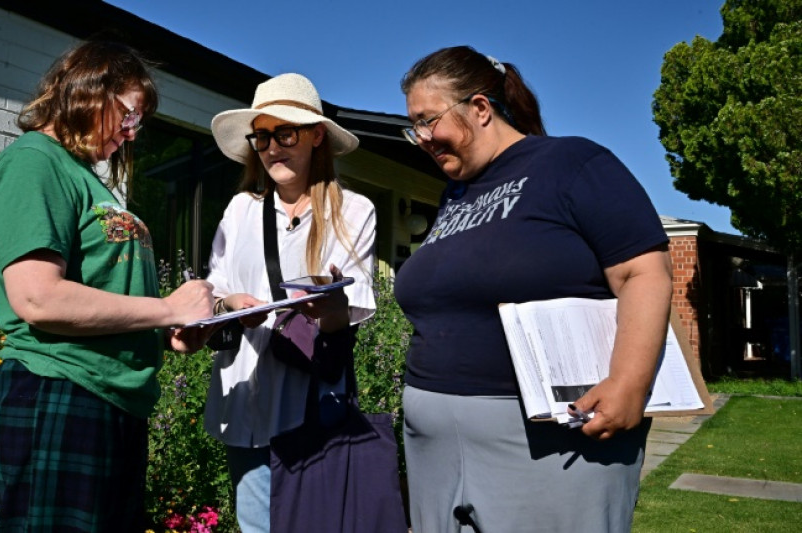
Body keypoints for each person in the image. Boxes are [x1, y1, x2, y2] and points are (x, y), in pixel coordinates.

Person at [394, 46, 673, 532]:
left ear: (479, 108)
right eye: (413, 125)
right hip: (434, 443)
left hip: (547, 440)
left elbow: (642, 272)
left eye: (428, 120)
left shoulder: (572, 162)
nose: (421, 138)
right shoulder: (455, 195)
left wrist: (629, 382)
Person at [0, 40, 215, 531]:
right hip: (58, 391)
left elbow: (111, 298)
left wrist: (174, 331)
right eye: (128, 115)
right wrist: (167, 309)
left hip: (109, 400)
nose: (130, 135)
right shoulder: (34, 163)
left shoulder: (86, 179)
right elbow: (38, 298)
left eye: (138, 123)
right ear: (88, 89)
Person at [204, 73, 377, 532]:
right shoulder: (239, 210)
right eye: (262, 137)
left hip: (309, 404)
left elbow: (349, 314)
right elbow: (214, 289)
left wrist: (329, 308)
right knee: (256, 524)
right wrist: (227, 307)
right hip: (244, 399)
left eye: (285, 133)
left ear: (316, 136)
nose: (272, 148)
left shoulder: (352, 211)